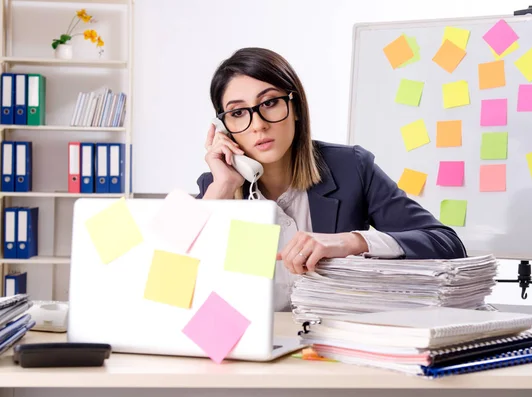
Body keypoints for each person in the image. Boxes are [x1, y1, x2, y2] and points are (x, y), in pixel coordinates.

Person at [196, 47, 467, 311]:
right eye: (237, 113)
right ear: (224, 128)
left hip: (337, 342)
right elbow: (166, 277)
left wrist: (352, 242)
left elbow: (447, 244)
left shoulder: (350, 167)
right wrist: (222, 188)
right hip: (252, 347)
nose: (258, 125)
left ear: (296, 106)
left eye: (269, 103)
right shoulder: (216, 186)